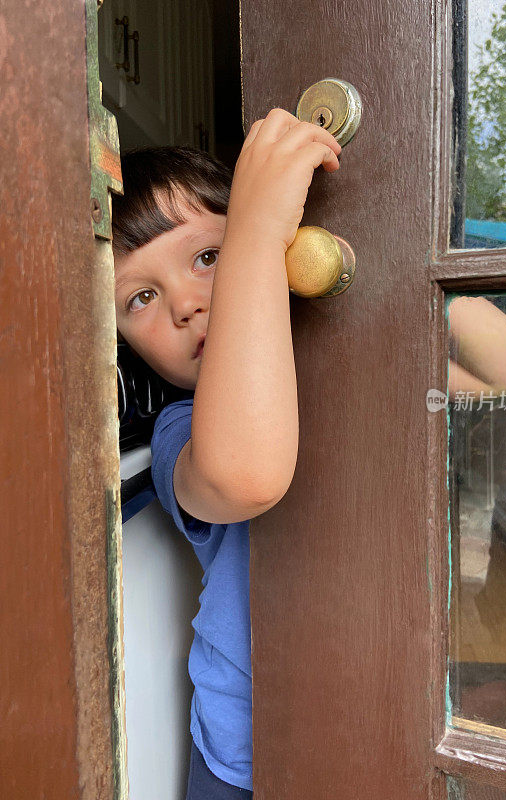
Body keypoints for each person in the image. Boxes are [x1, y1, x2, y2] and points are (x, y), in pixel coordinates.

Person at [112, 108, 342, 799]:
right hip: (245, 752)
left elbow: (505, 364)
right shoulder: (181, 429)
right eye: (141, 297)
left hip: (368, 706)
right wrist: (254, 233)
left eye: (208, 256)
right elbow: (242, 473)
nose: (184, 304)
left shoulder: (340, 376)